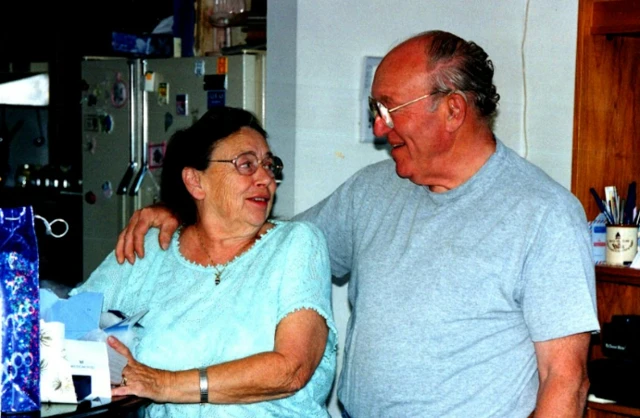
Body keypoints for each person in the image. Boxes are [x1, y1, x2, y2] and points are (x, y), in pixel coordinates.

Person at [114, 31, 599, 417]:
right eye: (375, 111)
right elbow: (262, 248)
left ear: (453, 109)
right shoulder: (370, 191)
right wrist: (183, 213)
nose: (379, 129)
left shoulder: (542, 214)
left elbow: (566, 380)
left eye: (389, 109)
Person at [71, 106, 337, 417]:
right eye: (246, 164)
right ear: (196, 182)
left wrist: (164, 384)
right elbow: (67, 324)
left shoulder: (297, 244)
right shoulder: (153, 248)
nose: (266, 178)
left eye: (269, 165)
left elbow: (291, 369)